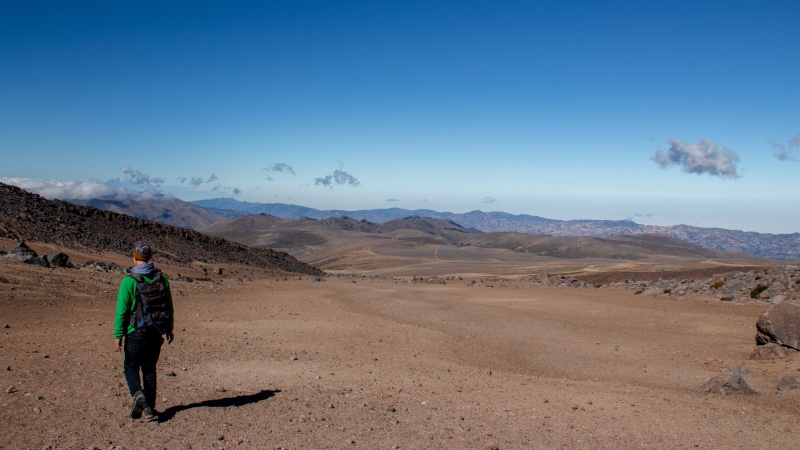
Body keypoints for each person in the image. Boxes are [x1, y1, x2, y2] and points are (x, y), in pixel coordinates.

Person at [113, 241, 175, 421]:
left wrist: (118, 335)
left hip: (135, 333)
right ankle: (149, 409)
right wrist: (169, 328)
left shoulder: (129, 282)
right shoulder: (161, 278)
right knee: (149, 368)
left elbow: (122, 311)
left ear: (134, 258)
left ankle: (137, 394)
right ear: (150, 258)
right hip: (156, 331)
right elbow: (169, 306)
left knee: (130, 366)